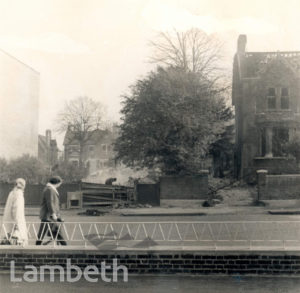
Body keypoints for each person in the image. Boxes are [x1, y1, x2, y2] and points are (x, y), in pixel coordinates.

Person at [36, 176, 67, 246]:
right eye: (60, 184)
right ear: (57, 183)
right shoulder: (50, 190)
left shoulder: (50, 189)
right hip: (49, 216)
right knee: (48, 233)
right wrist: (53, 214)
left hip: (49, 216)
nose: (60, 185)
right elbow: (50, 202)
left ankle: (37, 247)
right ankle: (67, 250)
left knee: (48, 233)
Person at [1, 178, 28, 246]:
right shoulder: (19, 194)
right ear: (23, 186)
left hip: (9, 219)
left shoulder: (12, 193)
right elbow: (17, 209)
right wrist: (17, 223)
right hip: (16, 221)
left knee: (8, 237)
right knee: (18, 240)